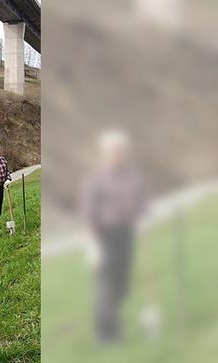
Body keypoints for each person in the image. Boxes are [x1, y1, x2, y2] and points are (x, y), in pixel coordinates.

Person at [81, 130, 144, 343]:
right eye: (113, 151)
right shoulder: (97, 179)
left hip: (126, 234)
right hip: (105, 236)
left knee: (123, 282)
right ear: (105, 153)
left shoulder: (132, 175)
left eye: (121, 151)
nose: (118, 154)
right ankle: (106, 332)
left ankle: (113, 320)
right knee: (106, 283)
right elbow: (88, 211)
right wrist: (92, 243)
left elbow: (139, 202)